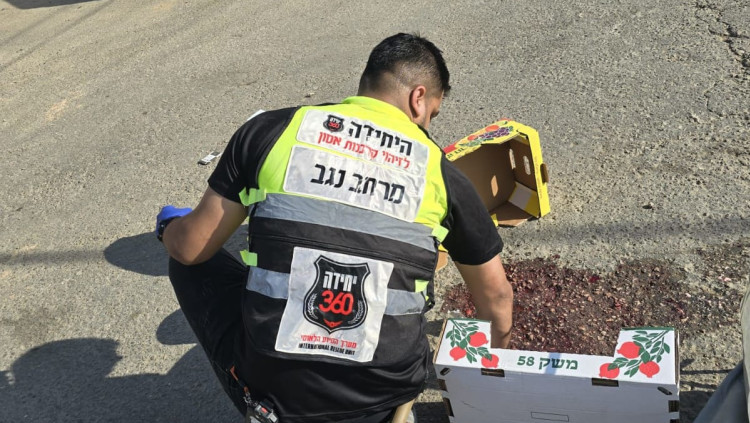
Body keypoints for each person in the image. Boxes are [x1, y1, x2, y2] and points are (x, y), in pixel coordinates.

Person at [156, 33, 514, 423]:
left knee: (186, 262)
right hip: (383, 397)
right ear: (418, 98)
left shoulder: (271, 131)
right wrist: (497, 376)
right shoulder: (441, 174)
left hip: (279, 394)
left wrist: (171, 226)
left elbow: (190, 248)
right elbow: (497, 297)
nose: (428, 124)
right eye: (433, 113)